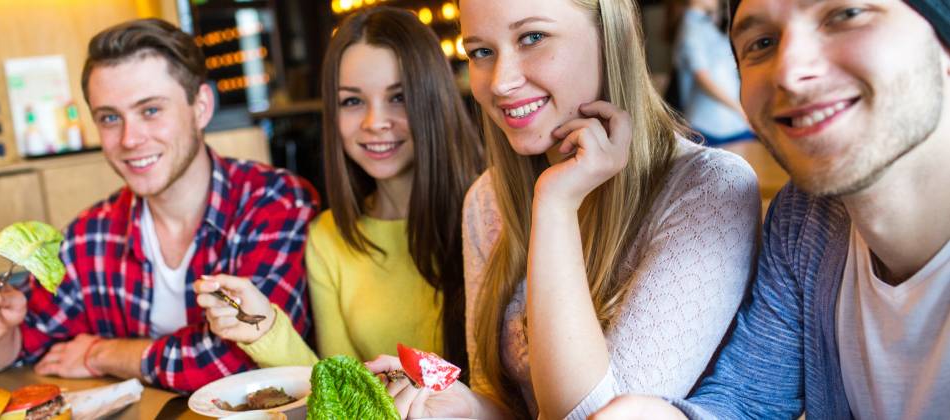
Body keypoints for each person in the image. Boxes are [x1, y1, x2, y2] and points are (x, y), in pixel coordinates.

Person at [366, 0, 761, 418]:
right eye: (481, 51)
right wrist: (460, 406)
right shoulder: (487, 198)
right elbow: (506, 402)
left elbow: (593, 416)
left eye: (532, 37)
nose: (501, 82)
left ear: (613, 37)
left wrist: (555, 204)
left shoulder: (709, 190)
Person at [592, 0, 950, 418]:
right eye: (761, 43)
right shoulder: (806, 220)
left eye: (846, 14)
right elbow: (749, 399)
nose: (789, 72)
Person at [0, 18, 319, 393]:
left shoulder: (276, 202)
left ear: (200, 106)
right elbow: (18, 348)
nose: (130, 139)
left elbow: (239, 360)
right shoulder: (92, 233)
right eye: (110, 118)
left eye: (150, 110)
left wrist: (105, 353)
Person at [194, 6, 482, 373]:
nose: (374, 122)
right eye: (352, 101)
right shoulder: (327, 237)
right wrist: (263, 326)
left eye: (399, 97)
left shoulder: (489, 212)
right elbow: (342, 388)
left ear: (434, 99)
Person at [672, 0, 754, 145]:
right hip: (712, 126)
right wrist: (740, 108)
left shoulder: (704, 24)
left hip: (730, 122)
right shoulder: (691, 28)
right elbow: (702, 78)